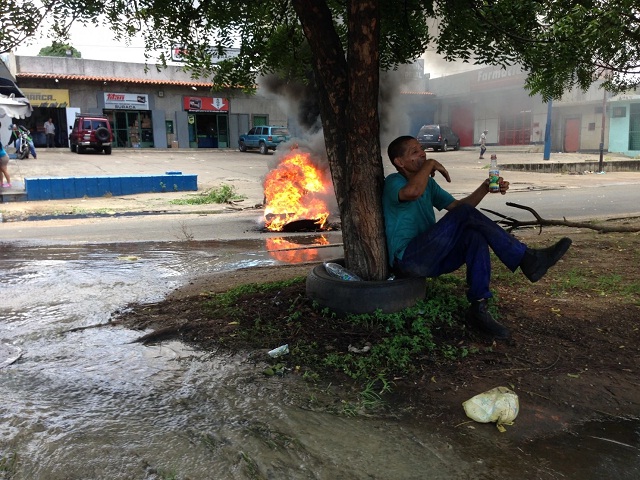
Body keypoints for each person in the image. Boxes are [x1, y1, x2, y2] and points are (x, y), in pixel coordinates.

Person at [382, 135, 572, 340]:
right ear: (399, 162)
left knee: (474, 236)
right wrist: (430, 164)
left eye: (421, 149)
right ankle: (526, 258)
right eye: (414, 152)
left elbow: (457, 207)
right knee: (464, 215)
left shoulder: (428, 184)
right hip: (408, 259)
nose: (422, 153)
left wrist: (485, 187)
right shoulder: (393, 182)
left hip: (432, 258)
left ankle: (479, 308)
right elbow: (412, 192)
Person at [0, 122, 11, 188]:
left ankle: (9, 183)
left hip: (3, 157)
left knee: (4, 170)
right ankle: (1, 183)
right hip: (2, 157)